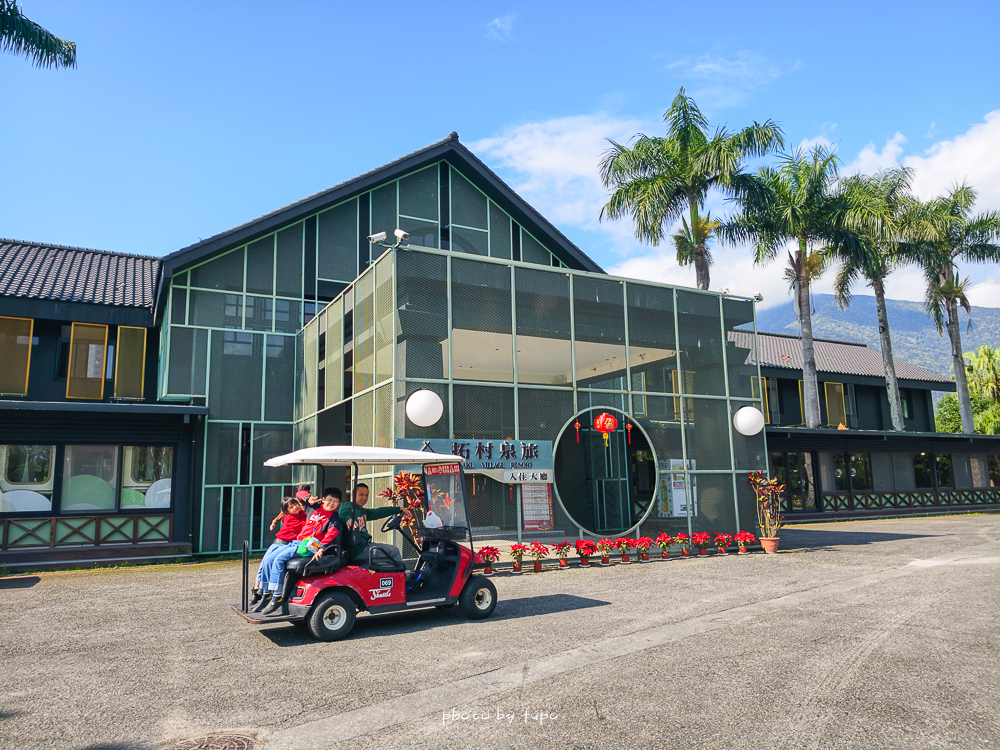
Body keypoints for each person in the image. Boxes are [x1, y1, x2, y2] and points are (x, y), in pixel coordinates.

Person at [257, 488, 342, 614]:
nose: (331, 503)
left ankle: (276, 597)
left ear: (339, 504)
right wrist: (308, 499)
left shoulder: (334, 518)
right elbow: (299, 493)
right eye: (329, 500)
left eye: (335, 501)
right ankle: (266, 593)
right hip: (297, 543)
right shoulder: (314, 508)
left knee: (279, 559)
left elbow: (331, 534)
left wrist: (322, 548)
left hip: (309, 547)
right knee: (269, 559)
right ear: (323, 499)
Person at [250, 496, 307, 607]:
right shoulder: (286, 515)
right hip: (278, 541)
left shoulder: (304, 516)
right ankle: (263, 591)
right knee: (265, 561)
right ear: (287, 510)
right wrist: (274, 522)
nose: (294, 507)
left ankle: (271, 592)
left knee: (272, 560)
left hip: (288, 543)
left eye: (295, 504)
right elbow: (281, 514)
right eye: (291, 507)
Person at [338, 483, 407, 569]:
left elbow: (379, 512)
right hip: (359, 551)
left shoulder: (363, 511)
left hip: (366, 547)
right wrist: (348, 519)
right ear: (353, 495)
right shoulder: (348, 506)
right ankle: (402, 578)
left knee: (388, 556)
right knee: (394, 550)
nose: (364, 498)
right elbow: (343, 514)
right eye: (361, 495)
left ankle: (391, 576)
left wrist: (398, 509)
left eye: (366, 495)